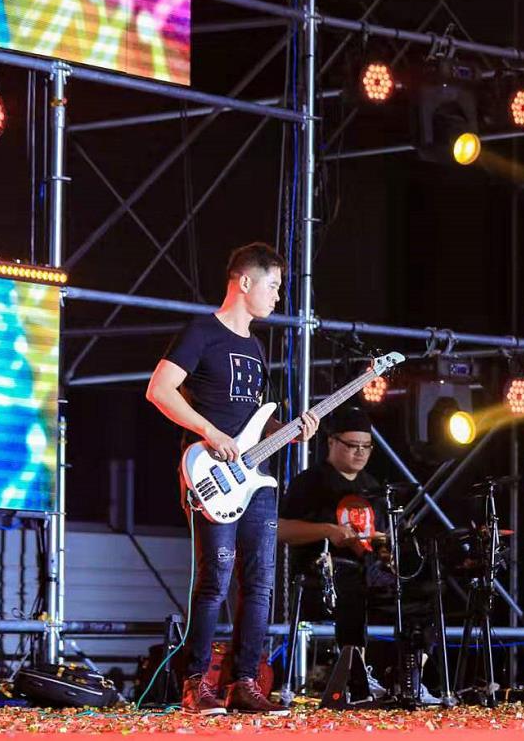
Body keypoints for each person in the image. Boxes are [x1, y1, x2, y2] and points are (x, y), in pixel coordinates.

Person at [146, 243, 318, 716]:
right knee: (215, 579)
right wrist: (209, 431)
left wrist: (290, 430)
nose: (278, 296)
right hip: (210, 471)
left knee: (260, 582)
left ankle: (244, 681)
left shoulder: (256, 348)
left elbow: (253, 424)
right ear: (245, 282)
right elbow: (159, 390)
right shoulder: (201, 332)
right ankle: (195, 682)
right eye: (273, 286)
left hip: (254, 478)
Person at [279, 406, 439, 703]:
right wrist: (327, 530)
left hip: (369, 570)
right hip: (321, 572)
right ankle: (356, 675)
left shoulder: (372, 487)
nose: (360, 453)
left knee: (424, 591)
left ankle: (409, 676)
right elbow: (281, 529)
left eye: (366, 447)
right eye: (353, 445)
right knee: (350, 583)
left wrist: (385, 549)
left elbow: (380, 535)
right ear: (332, 442)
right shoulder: (309, 482)